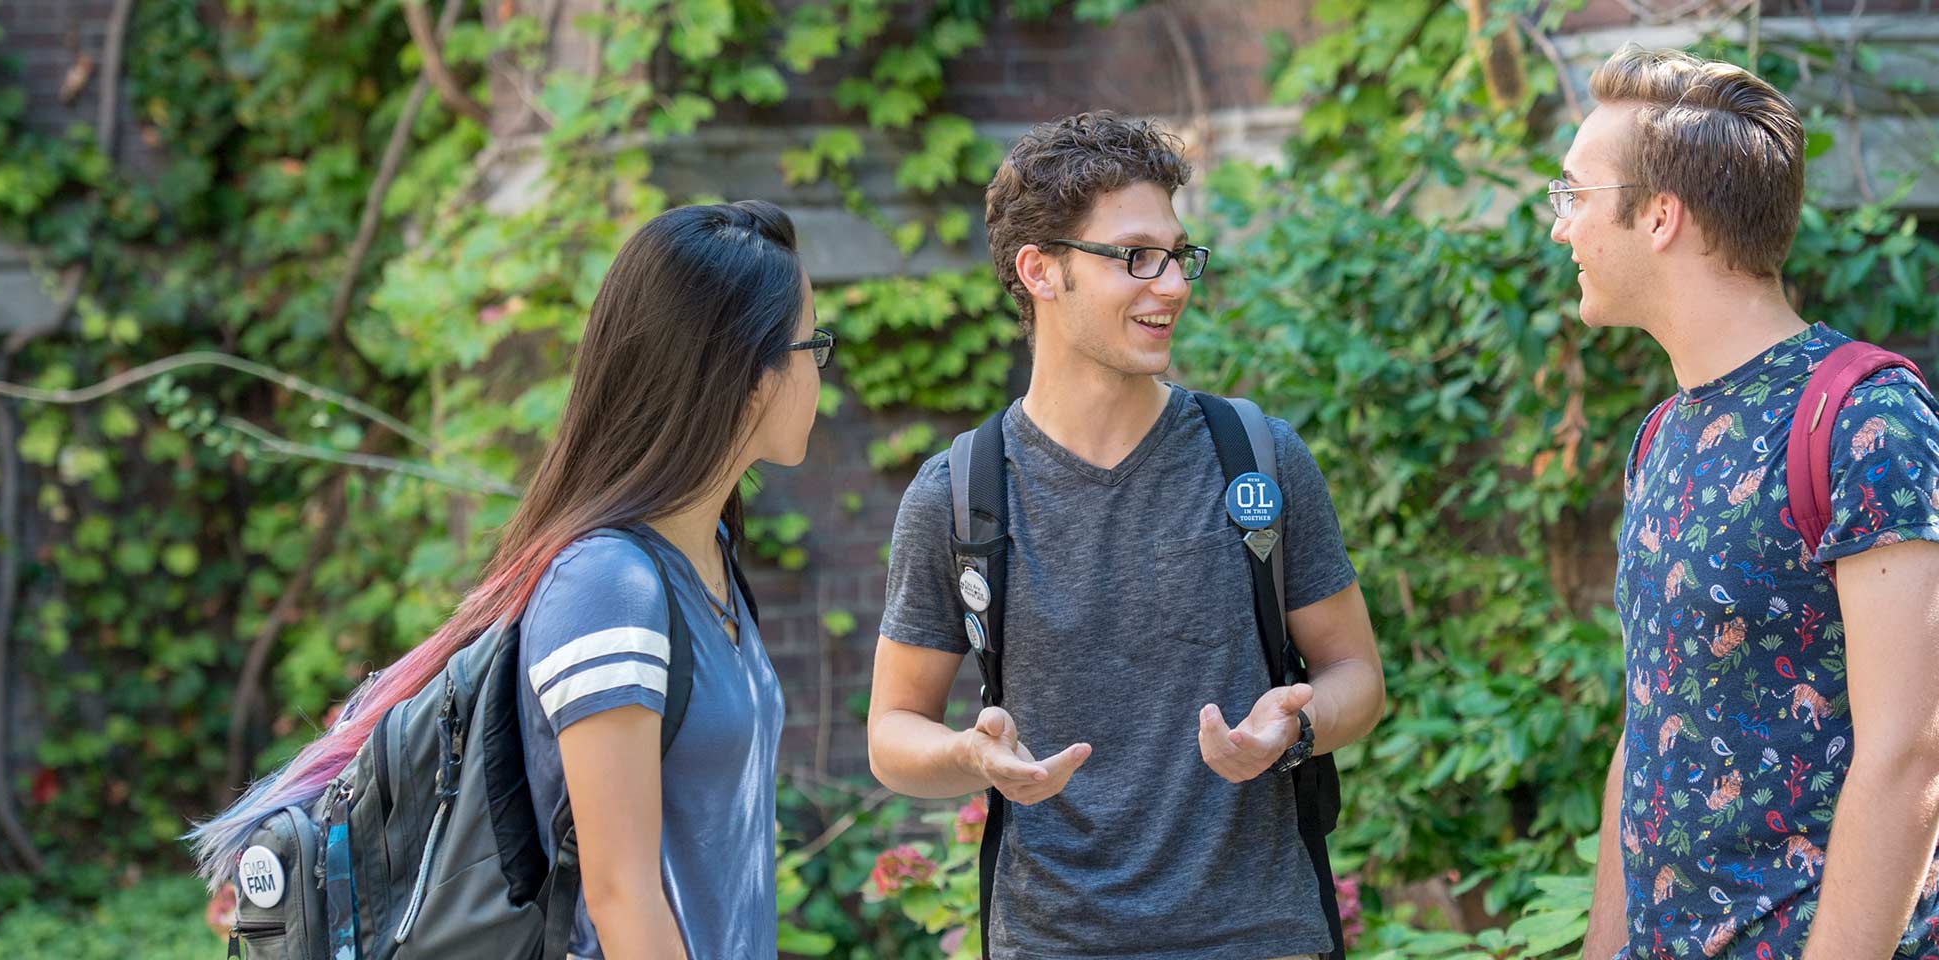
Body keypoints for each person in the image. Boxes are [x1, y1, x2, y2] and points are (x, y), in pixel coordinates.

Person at [193, 201, 830, 960]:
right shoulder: (611, 586)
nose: (819, 368)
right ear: (750, 374)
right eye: (811, 343)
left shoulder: (709, 553)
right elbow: (621, 897)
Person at [864, 112, 1386, 960]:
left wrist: (1291, 728)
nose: (1173, 284)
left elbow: (1355, 674)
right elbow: (893, 732)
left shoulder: (1256, 459)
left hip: (1260, 936)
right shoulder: (960, 495)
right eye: (1136, 257)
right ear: (1041, 271)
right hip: (1052, 940)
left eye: (1179, 255)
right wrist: (972, 755)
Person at [1553, 47, 1939, 959]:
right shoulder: (1663, 434)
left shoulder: (1870, 421)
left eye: (1574, 196)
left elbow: (1914, 750)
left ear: (1660, 217)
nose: (1561, 229)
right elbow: (1650, 723)